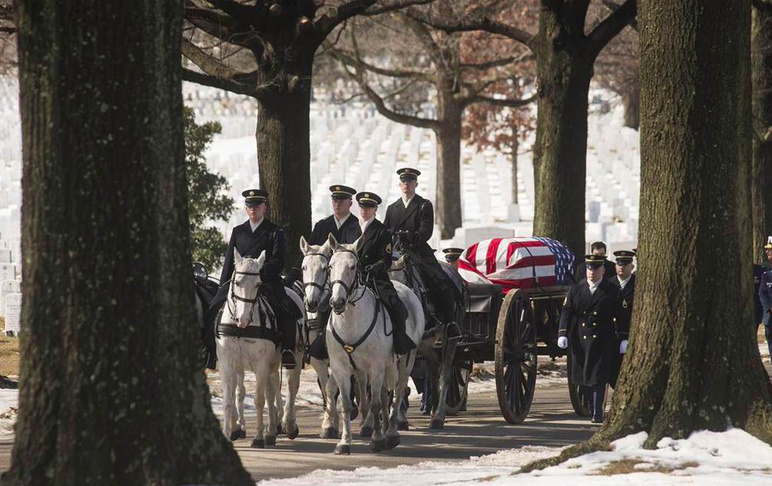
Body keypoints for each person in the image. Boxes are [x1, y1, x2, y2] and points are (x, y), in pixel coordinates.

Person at [211, 189, 301, 369]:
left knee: (288, 308)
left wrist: (260, 272)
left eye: (257, 206)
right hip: (239, 282)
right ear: (246, 209)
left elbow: (279, 260)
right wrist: (223, 286)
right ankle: (208, 351)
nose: (253, 209)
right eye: (250, 206)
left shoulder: (275, 231)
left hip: (266, 281)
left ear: (264, 208)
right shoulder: (238, 231)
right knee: (213, 307)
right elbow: (229, 261)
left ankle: (287, 351)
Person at [383, 167, 461, 339]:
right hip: (396, 252)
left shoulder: (424, 204)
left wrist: (411, 236)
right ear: (399, 184)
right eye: (404, 181)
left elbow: (426, 231)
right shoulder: (392, 208)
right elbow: (386, 231)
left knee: (441, 281)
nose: (406, 184)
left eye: (410, 181)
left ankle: (449, 322)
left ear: (415, 184)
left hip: (417, 251)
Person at [558, 254, 627, 423]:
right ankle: (588, 405)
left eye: (596, 269)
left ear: (603, 270)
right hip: (580, 338)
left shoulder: (612, 291)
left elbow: (622, 315)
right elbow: (567, 312)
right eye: (589, 268)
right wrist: (562, 333)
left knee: (599, 376)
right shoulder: (576, 289)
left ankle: (597, 412)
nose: (592, 272)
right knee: (582, 375)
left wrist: (624, 337)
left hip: (603, 338)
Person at [355, 191, 415, 354]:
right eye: (362, 206)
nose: (364, 210)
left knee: (394, 304)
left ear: (375, 209)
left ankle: (399, 340)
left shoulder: (382, 231)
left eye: (368, 207)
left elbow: (386, 258)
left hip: (374, 278)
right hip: (351, 277)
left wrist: (376, 267)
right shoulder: (351, 228)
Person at [607, 250, 635, 388]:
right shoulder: (608, 285)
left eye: (625, 264)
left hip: (630, 330)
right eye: (619, 264)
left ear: (632, 267)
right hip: (611, 331)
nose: (621, 267)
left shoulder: (637, 285)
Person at [758, 237, 772, 359]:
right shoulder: (766, 273)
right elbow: (762, 293)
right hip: (770, 316)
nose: (767, 252)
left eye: (770, 250)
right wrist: (769, 308)